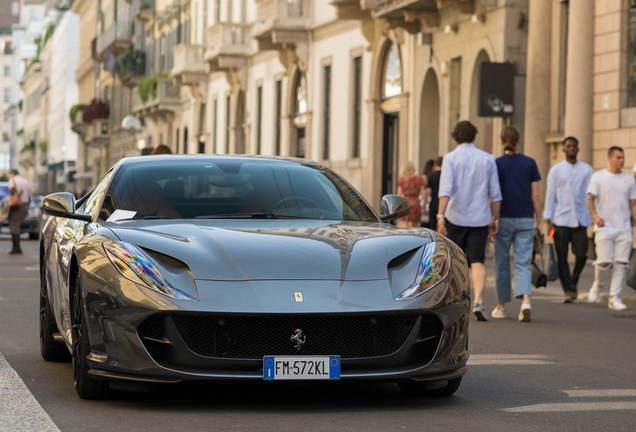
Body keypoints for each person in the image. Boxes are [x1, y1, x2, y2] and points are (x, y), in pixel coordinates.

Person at [438, 121, 502, 321]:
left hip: (455, 216)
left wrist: (440, 216)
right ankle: (479, 301)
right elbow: (496, 193)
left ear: (455, 136)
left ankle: (452, 301)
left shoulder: (450, 158)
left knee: (453, 262)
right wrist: (495, 219)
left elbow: (446, 190)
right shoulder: (487, 158)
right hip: (480, 217)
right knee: (478, 261)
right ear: (474, 135)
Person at [491, 126, 542, 322]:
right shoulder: (530, 163)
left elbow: (493, 195)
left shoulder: (496, 164)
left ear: (501, 141)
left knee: (501, 263)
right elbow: (535, 195)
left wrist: (493, 219)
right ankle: (526, 302)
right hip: (525, 218)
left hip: (502, 218)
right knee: (522, 262)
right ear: (518, 141)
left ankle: (501, 306)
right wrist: (539, 220)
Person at [543, 137, 594, 303]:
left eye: (574, 146)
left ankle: (573, 282)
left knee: (582, 255)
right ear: (564, 149)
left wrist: (593, 215)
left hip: (580, 220)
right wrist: (548, 219)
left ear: (578, 149)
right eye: (568, 146)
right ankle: (567, 290)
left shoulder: (587, 170)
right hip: (561, 220)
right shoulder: (556, 170)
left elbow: (591, 194)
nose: (572, 148)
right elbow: (550, 195)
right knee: (562, 258)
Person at [586, 146, 636, 311]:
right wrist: (595, 216)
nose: (622, 160)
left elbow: (633, 204)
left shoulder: (629, 179)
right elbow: (590, 199)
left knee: (621, 264)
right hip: (604, 227)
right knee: (604, 262)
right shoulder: (598, 177)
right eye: (618, 157)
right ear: (609, 158)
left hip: (624, 228)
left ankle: (614, 297)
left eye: (623, 158)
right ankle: (597, 285)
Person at [8, 169, 31, 255]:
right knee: (16, 226)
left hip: (17, 205)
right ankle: (16, 248)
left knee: (14, 226)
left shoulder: (12, 180)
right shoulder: (25, 180)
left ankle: (16, 248)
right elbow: (29, 196)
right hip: (25, 206)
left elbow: (12, 191)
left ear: (12, 174)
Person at [397, 162, 425, 228]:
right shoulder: (419, 179)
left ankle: (406, 238)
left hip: (405, 201)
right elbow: (423, 194)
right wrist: (423, 206)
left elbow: (399, 194)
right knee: (414, 227)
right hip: (415, 202)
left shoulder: (402, 179)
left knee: (405, 226)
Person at [425, 157, 442, 230]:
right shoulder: (446, 175)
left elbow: (428, 191)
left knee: (432, 227)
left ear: (435, 164)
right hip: (444, 204)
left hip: (434, 203)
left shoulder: (431, 175)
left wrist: (425, 203)